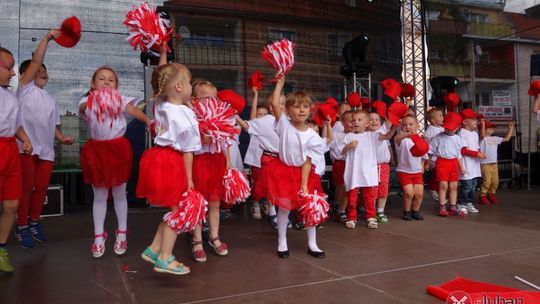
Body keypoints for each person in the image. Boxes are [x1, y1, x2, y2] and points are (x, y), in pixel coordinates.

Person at [137, 55, 199, 275]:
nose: (192, 87)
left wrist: (163, 52)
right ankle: (164, 258)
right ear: (180, 86)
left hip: (157, 159)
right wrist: (190, 179)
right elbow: (189, 150)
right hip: (174, 162)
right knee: (180, 211)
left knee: (173, 208)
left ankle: (154, 249)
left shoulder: (161, 105)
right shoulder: (185, 114)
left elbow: (162, 77)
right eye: (190, 83)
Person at [79, 66, 149, 258]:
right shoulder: (87, 100)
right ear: (93, 85)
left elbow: (132, 110)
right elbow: (82, 108)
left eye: (111, 79)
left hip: (117, 150)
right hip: (97, 152)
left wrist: (149, 121)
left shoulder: (121, 99)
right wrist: (96, 100)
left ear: (117, 86)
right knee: (99, 195)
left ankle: (122, 233)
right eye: (101, 79)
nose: (107, 81)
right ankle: (99, 237)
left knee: (119, 193)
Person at [15, 29, 74, 249]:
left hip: (46, 150)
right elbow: (37, 59)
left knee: (40, 188)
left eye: (45, 70)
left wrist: (61, 137)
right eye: (38, 69)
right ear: (26, 74)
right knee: (26, 188)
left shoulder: (51, 99)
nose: (43, 71)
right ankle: (21, 227)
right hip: (25, 148)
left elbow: (54, 126)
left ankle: (34, 221)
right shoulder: (24, 89)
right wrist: (47, 38)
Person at [266, 76, 326, 258]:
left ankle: (312, 243)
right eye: (297, 106)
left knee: (310, 207)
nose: (301, 110)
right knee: (284, 208)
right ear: (288, 111)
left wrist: (304, 184)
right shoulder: (284, 124)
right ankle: (282, 241)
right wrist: (280, 84)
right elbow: (275, 104)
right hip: (283, 171)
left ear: (310, 111)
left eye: (305, 107)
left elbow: (307, 161)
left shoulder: (313, 136)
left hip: (304, 174)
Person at [190, 80, 232, 261]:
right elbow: (187, 143)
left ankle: (214, 236)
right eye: (206, 98)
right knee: (198, 203)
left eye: (214, 98)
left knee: (215, 203)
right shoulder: (191, 116)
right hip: (198, 162)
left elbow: (225, 142)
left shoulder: (220, 116)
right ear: (194, 100)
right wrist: (202, 136)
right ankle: (197, 240)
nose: (211, 102)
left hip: (216, 162)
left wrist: (228, 162)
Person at [0, 46, 33, 272]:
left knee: (12, 202)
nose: (12, 72)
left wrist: (25, 139)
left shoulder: (11, 96)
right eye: (8, 67)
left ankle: (1, 249)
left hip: (11, 148)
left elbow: (17, 124)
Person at [340, 110, 396, 229]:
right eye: (353, 120)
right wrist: (348, 146)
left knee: (369, 196)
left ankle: (371, 216)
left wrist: (394, 127)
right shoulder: (349, 136)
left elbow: (387, 137)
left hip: (368, 172)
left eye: (359, 120)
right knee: (352, 197)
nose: (355, 122)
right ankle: (351, 217)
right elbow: (341, 152)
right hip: (353, 172)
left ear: (367, 123)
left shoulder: (372, 135)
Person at [236, 93, 283, 229]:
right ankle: (258, 203)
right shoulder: (263, 122)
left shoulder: (285, 121)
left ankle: (272, 208)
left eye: (283, 104)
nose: (281, 107)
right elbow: (248, 124)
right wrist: (237, 117)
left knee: (275, 186)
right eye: (278, 103)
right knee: (260, 184)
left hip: (280, 160)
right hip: (261, 159)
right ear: (271, 107)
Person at [429, 112, 466, 216]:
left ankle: (453, 206)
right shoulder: (438, 137)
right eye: (447, 127)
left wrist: (462, 167)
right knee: (443, 185)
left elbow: (458, 154)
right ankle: (442, 206)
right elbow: (431, 152)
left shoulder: (458, 139)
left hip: (453, 162)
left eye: (452, 127)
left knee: (454, 185)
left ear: (458, 127)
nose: (449, 129)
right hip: (442, 162)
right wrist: (429, 163)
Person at [394, 116, 429, 220]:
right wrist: (408, 134)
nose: (408, 127)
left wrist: (423, 165)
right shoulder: (401, 139)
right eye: (404, 125)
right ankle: (406, 212)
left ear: (417, 126)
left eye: (411, 124)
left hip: (416, 171)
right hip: (404, 171)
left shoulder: (419, 140)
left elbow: (423, 155)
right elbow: (396, 139)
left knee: (419, 194)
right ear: (401, 127)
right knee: (409, 193)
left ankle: (416, 211)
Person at [241, 88, 267, 220]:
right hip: (256, 159)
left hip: (268, 160)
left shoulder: (270, 126)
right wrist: (255, 94)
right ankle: (256, 202)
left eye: (264, 114)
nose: (261, 116)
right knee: (258, 183)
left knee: (267, 182)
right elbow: (253, 113)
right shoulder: (254, 126)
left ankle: (264, 201)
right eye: (259, 114)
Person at [478, 120, 514, 204]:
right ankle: (482, 196)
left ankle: (491, 194)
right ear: (483, 129)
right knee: (487, 181)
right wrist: (482, 125)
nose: (491, 129)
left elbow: (507, 139)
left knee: (495, 181)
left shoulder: (495, 138)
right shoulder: (481, 139)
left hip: (494, 163)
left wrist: (510, 129)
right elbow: (482, 135)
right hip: (485, 163)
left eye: (492, 128)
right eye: (488, 128)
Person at [458, 109, 486, 213]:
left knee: (473, 185)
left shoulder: (474, 134)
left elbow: (476, 147)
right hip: (466, 165)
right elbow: (462, 150)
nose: (476, 122)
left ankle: (469, 202)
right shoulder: (462, 133)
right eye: (474, 119)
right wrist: (477, 154)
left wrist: (479, 154)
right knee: (467, 186)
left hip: (474, 165)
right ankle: (461, 203)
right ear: (465, 122)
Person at [368, 106, 392, 223]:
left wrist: (404, 105)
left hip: (383, 165)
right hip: (371, 166)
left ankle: (380, 211)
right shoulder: (365, 134)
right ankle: (371, 212)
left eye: (376, 119)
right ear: (366, 123)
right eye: (371, 119)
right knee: (372, 190)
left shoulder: (383, 129)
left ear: (381, 122)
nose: (374, 121)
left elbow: (392, 119)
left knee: (383, 188)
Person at [328, 110, 353, 222]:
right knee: (341, 185)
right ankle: (338, 205)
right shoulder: (338, 135)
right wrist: (327, 125)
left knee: (349, 186)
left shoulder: (358, 135)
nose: (354, 123)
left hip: (352, 163)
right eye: (350, 121)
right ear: (342, 122)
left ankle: (344, 206)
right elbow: (328, 142)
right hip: (340, 162)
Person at [424, 108, 444, 203]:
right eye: (440, 116)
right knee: (436, 174)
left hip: (442, 155)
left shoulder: (443, 128)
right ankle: (433, 188)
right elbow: (426, 140)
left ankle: (439, 192)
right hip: (434, 156)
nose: (442, 118)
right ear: (432, 120)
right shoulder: (431, 129)